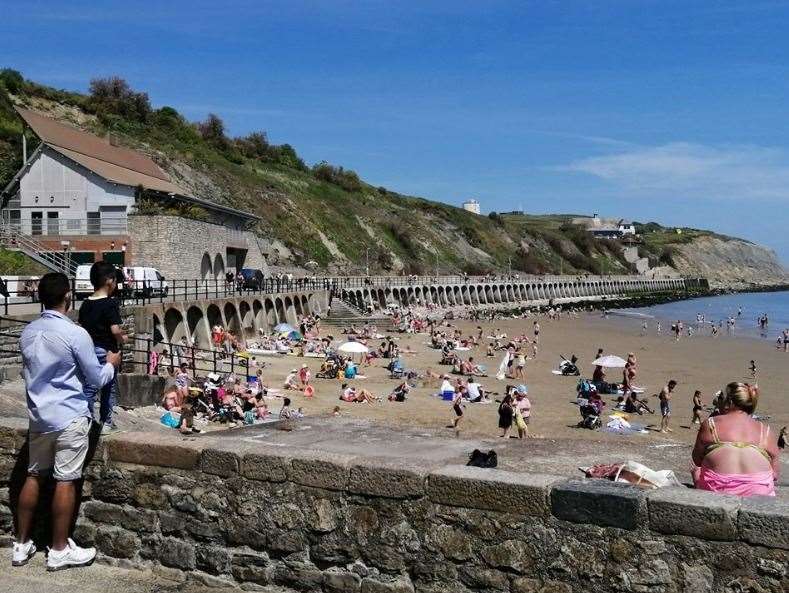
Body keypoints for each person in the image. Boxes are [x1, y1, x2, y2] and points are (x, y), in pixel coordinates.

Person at [13, 272, 121, 570]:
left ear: (40, 298)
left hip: (39, 416)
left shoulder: (28, 332)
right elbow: (95, 378)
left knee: (33, 475)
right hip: (69, 415)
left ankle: (21, 545)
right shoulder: (75, 334)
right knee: (66, 479)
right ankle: (59, 549)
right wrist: (111, 365)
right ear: (68, 296)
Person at [692, 383, 780, 496]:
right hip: (759, 495)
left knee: (697, 472)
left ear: (730, 402)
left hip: (718, 492)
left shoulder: (711, 424)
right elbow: (775, 475)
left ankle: (698, 483)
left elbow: (697, 459)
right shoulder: (766, 431)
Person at [78, 261, 128, 434]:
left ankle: (88, 418)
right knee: (108, 387)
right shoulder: (110, 303)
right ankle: (106, 423)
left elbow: (82, 328)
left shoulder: (85, 304)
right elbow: (115, 329)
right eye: (115, 280)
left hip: (89, 349)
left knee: (89, 386)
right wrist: (123, 338)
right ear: (109, 281)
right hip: (107, 351)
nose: (115, 284)